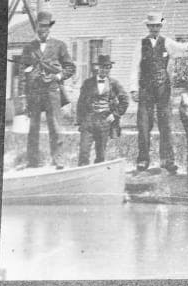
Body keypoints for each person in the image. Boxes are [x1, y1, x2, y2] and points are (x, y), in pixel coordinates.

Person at [18, 10, 76, 170]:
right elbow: (23, 72)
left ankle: (58, 160)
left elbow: (70, 67)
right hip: (34, 92)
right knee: (33, 127)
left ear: (49, 28)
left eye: (45, 26)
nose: (43, 30)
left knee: (55, 126)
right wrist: (23, 96)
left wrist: (58, 77)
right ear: (36, 28)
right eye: (40, 27)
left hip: (52, 90)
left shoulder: (59, 45)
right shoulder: (29, 48)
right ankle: (33, 161)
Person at [136, 11, 187, 173]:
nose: (155, 29)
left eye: (157, 26)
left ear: (160, 26)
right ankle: (143, 160)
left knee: (165, 125)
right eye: (152, 26)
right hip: (145, 89)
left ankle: (167, 160)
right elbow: (133, 67)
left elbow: (182, 49)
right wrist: (132, 88)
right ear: (148, 26)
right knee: (144, 125)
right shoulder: (141, 43)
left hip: (163, 89)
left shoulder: (167, 42)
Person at [76, 54, 129, 166]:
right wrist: (81, 121)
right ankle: (83, 177)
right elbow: (80, 102)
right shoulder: (88, 83)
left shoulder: (114, 83)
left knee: (101, 154)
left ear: (110, 69)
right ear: (97, 68)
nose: (104, 70)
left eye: (107, 67)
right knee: (84, 152)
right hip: (89, 121)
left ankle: (97, 178)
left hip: (104, 121)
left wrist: (114, 115)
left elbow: (124, 100)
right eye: (102, 67)